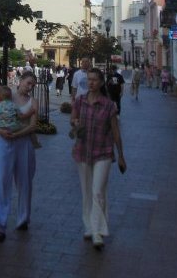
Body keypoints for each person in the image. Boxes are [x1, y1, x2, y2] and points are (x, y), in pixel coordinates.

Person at [71, 67, 126, 250]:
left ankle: (98, 232)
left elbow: (116, 132)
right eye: (89, 79)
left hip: (103, 151)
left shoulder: (109, 105)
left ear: (101, 82)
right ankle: (89, 226)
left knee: (97, 191)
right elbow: (73, 119)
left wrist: (121, 156)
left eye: (94, 80)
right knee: (86, 192)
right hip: (83, 151)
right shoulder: (80, 101)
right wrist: (75, 124)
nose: (91, 82)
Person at [0, 71, 38, 242]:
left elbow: (33, 126)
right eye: (28, 83)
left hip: (24, 143)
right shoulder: (7, 96)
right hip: (4, 142)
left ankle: (23, 218)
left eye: (33, 84)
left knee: (24, 182)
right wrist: (0, 130)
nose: (30, 87)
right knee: (1, 180)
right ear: (20, 81)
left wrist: (18, 135)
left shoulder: (33, 102)